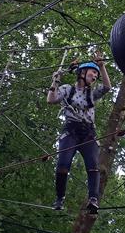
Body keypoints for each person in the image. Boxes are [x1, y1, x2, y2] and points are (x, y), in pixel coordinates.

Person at [47, 51, 111, 213]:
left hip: (88, 133)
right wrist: (54, 82)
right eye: (93, 71)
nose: (95, 75)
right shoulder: (68, 89)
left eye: (96, 73)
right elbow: (51, 100)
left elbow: (107, 87)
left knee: (93, 166)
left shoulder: (92, 93)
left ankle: (93, 199)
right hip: (71, 131)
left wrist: (102, 66)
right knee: (63, 165)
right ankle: (59, 198)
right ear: (82, 73)